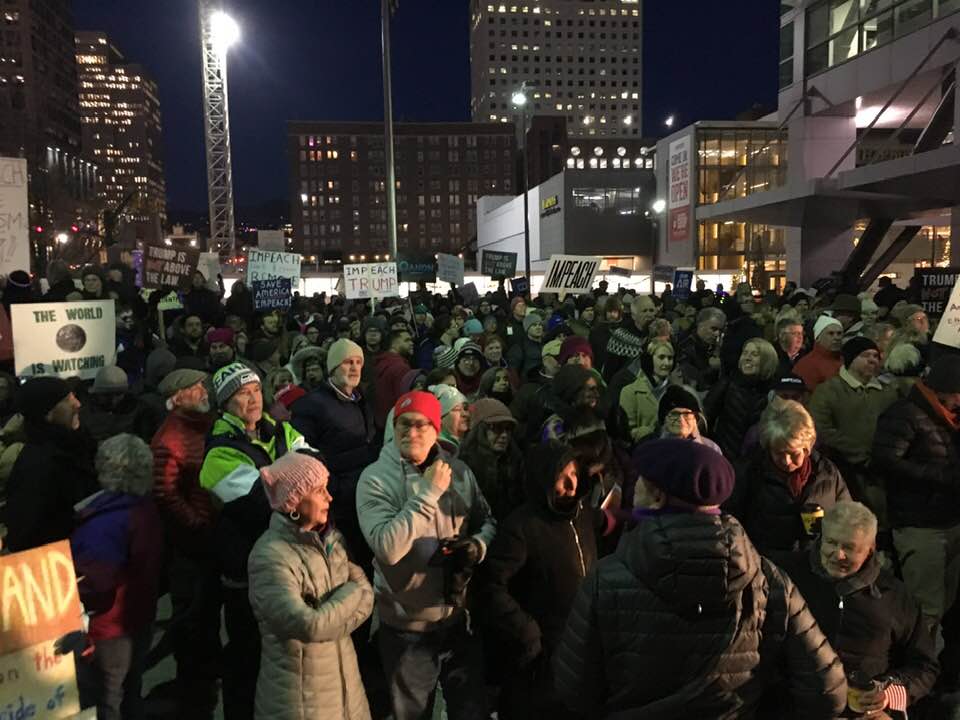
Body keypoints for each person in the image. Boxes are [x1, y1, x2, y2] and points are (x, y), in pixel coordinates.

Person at [553, 439, 847, 718]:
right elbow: (828, 691)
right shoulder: (768, 579)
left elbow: (575, 690)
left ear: (656, 497)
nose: (634, 488)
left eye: (641, 481)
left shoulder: (607, 580)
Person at [356, 391, 496, 720]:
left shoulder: (459, 472)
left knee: (471, 709)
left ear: (436, 429)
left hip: (457, 617)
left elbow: (487, 520)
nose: (412, 432)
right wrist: (428, 493)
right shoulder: (375, 479)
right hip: (406, 627)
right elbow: (387, 548)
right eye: (404, 424)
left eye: (422, 425)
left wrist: (477, 547)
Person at [200, 362, 310, 720]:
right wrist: (296, 481)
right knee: (247, 660)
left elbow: (317, 467)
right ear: (225, 403)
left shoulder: (282, 430)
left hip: (290, 564)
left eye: (255, 390)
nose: (253, 399)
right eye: (241, 393)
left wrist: (281, 480)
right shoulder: (218, 453)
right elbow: (260, 506)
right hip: (246, 571)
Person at [777, 501, 939, 717]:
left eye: (849, 547)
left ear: (870, 549)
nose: (838, 554)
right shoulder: (786, 577)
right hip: (795, 707)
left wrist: (887, 694)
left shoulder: (894, 595)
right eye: (831, 542)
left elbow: (924, 666)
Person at [480, 442, 603, 720]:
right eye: (561, 476)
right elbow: (490, 586)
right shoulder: (522, 526)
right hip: (543, 653)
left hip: (583, 641)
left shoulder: (581, 515)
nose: (571, 483)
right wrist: (526, 631)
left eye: (574, 473)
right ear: (543, 479)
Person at [249, 451, 374, 720]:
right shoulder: (270, 556)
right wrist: (352, 592)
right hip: (300, 703)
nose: (329, 497)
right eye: (319, 491)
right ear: (293, 502)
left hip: (347, 694)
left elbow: (368, 600)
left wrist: (328, 612)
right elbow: (308, 626)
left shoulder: (331, 540)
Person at [72, 434, 163, 720]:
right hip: (139, 616)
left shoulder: (106, 522)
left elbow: (96, 584)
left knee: (106, 700)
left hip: (109, 628)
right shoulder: (144, 509)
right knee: (130, 692)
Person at [150, 368, 220, 719]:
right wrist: (197, 523)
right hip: (190, 547)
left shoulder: (202, 425)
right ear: (177, 397)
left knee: (205, 618)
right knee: (192, 620)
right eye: (195, 388)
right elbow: (165, 493)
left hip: (208, 539)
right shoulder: (169, 439)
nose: (203, 390)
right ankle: (193, 693)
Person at [873, 356, 960, 635]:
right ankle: (921, 667)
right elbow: (885, 460)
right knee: (926, 607)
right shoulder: (905, 414)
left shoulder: (950, 418)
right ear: (945, 389)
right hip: (920, 524)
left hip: (950, 519)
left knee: (945, 600)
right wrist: (940, 476)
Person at [290, 338, 378, 564]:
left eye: (359, 362)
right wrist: (336, 489)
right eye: (348, 362)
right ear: (333, 368)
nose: (355, 367)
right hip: (339, 505)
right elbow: (305, 458)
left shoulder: (361, 399)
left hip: (366, 495)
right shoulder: (311, 406)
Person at [726, 400, 850, 557]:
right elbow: (732, 525)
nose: (786, 461)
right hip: (766, 566)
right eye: (778, 453)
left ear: (807, 447)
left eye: (793, 453)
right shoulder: (748, 472)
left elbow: (847, 516)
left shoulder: (826, 472)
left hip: (815, 563)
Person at [5, 377, 98, 551]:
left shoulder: (78, 445)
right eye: (67, 401)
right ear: (47, 413)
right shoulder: (37, 466)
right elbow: (26, 534)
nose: (78, 404)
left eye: (74, 397)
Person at [809, 336, 898, 515]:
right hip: (843, 470)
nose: (872, 360)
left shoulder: (888, 392)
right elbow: (821, 428)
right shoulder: (828, 391)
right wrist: (859, 453)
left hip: (881, 472)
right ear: (850, 359)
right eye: (865, 355)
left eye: (875, 356)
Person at [703, 338, 778, 462]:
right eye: (745, 353)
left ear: (767, 361)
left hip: (755, 466)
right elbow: (706, 420)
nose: (747, 358)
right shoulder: (726, 386)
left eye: (755, 354)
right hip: (723, 459)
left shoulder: (772, 394)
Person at [458, 398, 525, 522]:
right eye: (497, 427)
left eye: (508, 429)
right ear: (479, 430)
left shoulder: (515, 462)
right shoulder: (464, 468)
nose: (504, 435)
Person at [619, 339, 676, 445]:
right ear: (649, 360)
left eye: (670, 358)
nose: (667, 363)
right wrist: (652, 431)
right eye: (661, 357)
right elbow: (626, 433)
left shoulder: (678, 392)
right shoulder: (630, 392)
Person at [657, 384, 721, 453]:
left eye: (686, 415)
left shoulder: (711, 448)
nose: (681, 420)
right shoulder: (649, 446)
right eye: (674, 415)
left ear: (696, 419)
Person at [374, 328, 414, 431]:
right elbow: (404, 401)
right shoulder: (400, 368)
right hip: (394, 426)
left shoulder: (381, 363)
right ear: (393, 344)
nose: (411, 343)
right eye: (407, 340)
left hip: (381, 424)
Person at [676, 307, 725, 392]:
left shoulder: (716, 346)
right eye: (713, 329)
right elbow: (692, 381)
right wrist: (712, 368)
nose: (717, 334)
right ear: (701, 325)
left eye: (720, 330)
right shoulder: (685, 348)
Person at [793, 315, 843, 392]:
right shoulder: (807, 365)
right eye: (831, 333)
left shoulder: (846, 360)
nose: (836, 338)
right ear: (818, 338)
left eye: (839, 333)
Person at [429, 383, 470, 455]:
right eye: (457, 409)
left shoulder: (472, 444)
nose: (465, 414)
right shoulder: (436, 449)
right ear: (441, 417)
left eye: (466, 409)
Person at [506, 309, 545, 377]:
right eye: (534, 325)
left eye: (540, 325)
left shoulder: (545, 343)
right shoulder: (520, 347)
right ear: (527, 328)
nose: (538, 327)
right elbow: (513, 371)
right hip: (529, 383)